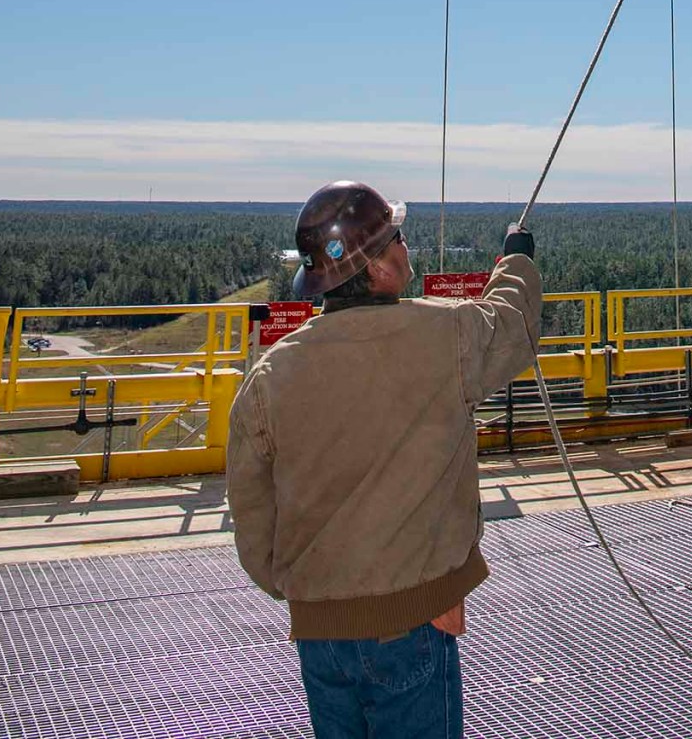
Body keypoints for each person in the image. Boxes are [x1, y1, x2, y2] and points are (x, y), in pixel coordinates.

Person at [227, 179, 542, 738]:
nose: (405, 248)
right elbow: (510, 323)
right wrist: (516, 259)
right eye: (397, 238)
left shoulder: (272, 374)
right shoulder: (442, 337)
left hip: (321, 641)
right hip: (411, 630)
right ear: (377, 269)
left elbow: (252, 511)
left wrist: (304, 592)